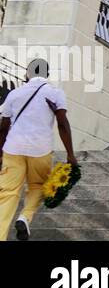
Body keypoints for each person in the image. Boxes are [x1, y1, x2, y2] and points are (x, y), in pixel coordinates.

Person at [0, 58, 76, 242]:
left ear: (27, 73)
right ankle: (25, 217)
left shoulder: (15, 94)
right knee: (37, 186)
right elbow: (62, 124)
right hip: (40, 149)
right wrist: (70, 154)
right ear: (47, 75)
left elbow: (3, 127)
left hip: (13, 148)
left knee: (7, 193)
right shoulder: (55, 93)